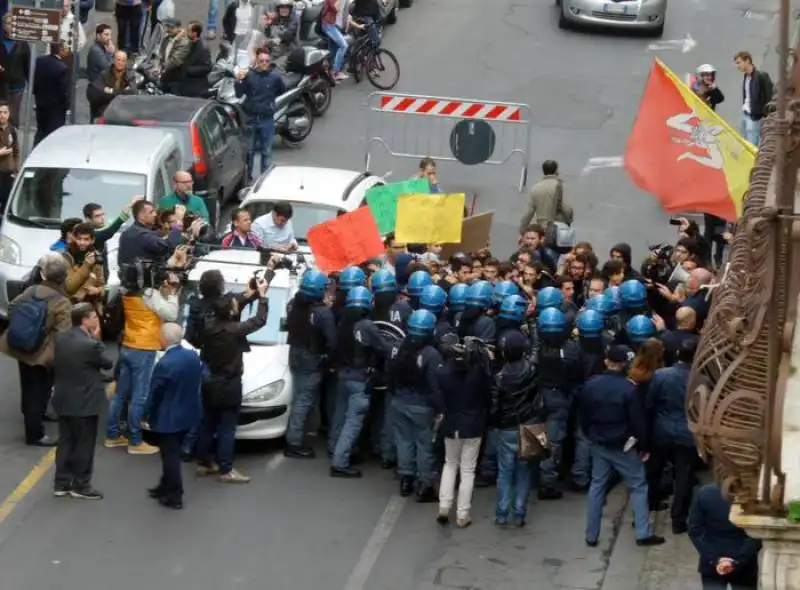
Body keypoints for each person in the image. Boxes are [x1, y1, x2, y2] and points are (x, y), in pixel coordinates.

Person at [579, 345, 664, 548]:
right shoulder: (629, 390)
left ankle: (591, 534)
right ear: (625, 364)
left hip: (599, 442)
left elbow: (583, 415)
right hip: (623, 445)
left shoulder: (591, 386)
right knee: (638, 485)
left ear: (607, 361)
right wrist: (643, 446)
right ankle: (643, 532)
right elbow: (638, 422)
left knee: (597, 485)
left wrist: (590, 435)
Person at [196, 267, 274, 483]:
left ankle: (204, 462)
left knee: (208, 422)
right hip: (229, 383)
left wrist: (249, 293)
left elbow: (233, 303)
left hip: (209, 380)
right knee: (228, 427)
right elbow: (259, 320)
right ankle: (226, 469)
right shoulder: (235, 330)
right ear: (231, 313)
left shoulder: (208, 327)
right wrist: (264, 297)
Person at [0, 253, 72, 446]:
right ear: (64, 278)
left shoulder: (31, 290)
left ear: (43, 274)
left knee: (28, 388)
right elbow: (63, 334)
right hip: (42, 354)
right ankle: (35, 434)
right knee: (40, 392)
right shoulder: (61, 301)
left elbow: (12, 308)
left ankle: (32, 418)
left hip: (20, 348)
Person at [51, 303, 112, 500]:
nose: (97, 319)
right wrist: (97, 337)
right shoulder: (90, 345)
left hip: (63, 398)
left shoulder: (61, 338)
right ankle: (80, 484)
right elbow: (107, 363)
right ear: (85, 320)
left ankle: (61, 483)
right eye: (93, 317)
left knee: (66, 441)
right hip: (85, 401)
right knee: (84, 444)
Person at [435, 332, 493, 528]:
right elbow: (488, 396)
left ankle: (444, 505)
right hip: (473, 424)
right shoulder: (478, 374)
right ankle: (462, 513)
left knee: (450, 464)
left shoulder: (443, 372)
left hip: (451, 423)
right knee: (468, 470)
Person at [144, 323, 204, 509]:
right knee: (170, 453)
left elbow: (155, 393)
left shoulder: (164, 364)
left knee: (170, 457)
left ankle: (175, 495)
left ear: (163, 339)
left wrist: (145, 415)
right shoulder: (192, 356)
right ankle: (164, 486)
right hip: (188, 413)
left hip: (168, 418)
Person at [386, 309, 443, 499]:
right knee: (425, 445)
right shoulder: (431, 355)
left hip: (399, 401)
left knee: (403, 441)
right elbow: (435, 385)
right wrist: (441, 408)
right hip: (422, 405)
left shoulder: (397, 347)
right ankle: (424, 485)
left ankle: (405, 478)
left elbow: (389, 373)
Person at [646, 339, 698, 535]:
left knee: (654, 471)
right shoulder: (699, 379)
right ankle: (678, 519)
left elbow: (650, 402)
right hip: (686, 433)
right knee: (683, 475)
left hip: (662, 430)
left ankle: (649, 506)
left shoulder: (661, 375)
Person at [491, 331, 542, 527]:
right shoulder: (532, 370)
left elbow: (495, 407)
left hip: (507, 429)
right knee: (524, 471)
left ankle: (502, 513)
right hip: (530, 425)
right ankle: (519, 512)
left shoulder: (500, 378)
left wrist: (497, 423)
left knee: (505, 472)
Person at [284, 270, 336, 459]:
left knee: (299, 396)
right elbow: (331, 342)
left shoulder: (293, 305)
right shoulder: (323, 313)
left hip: (295, 353)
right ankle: (295, 442)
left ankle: (296, 435)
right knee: (304, 400)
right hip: (312, 357)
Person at [536, 306, 581, 500]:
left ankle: (535, 475)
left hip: (538, 399)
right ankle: (547, 482)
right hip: (559, 399)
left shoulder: (534, 348)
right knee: (553, 443)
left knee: (537, 438)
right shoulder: (570, 349)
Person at [689, 483, 762, 590]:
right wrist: (738, 560)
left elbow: (695, 530)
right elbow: (756, 532)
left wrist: (714, 559)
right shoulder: (754, 495)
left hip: (712, 562)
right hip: (745, 564)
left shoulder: (705, 493)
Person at [235, 47, 285, 182]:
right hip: (251, 119)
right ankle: (248, 180)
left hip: (266, 119)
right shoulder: (249, 76)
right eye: (261, 60)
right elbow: (239, 93)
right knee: (249, 152)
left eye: (267, 61)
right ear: (256, 61)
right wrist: (238, 80)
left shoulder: (275, 78)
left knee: (266, 152)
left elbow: (281, 90)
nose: (264, 63)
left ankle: (264, 180)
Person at [117, 200, 197, 266]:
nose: (155, 214)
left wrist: (166, 231)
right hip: (145, 283)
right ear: (141, 216)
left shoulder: (128, 232)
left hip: (132, 280)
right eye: (151, 212)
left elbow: (153, 236)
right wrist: (178, 222)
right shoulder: (142, 235)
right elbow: (168, 247)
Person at [518, 160, 574, 241]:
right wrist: (569, 221)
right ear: (556, 170)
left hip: (542, 229)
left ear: (543, 171)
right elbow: (567, 209)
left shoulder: (536, 188)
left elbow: (529, 213)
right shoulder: (562, 186)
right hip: (559, 229)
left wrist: (522, 230)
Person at [61, 223, 105, 315]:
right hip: (71, 306)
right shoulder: (67, 257)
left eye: (86, 239)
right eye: (79, 239)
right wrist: (86, 265)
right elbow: (70, 287)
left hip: (91, 307)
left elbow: (102, 285)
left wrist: (97, 291)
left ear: (92, 240)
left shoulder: (95, 257)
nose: (82, 242)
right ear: (74, 238)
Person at [33, 44, 70, 146]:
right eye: (66, 48)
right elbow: (63, 91)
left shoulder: (40, 61)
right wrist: (66, 105)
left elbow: (35, 82)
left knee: (40, 132)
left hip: (41, 104)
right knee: (53, 136)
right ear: (61, 50)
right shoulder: (62, 68)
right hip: (56, 109)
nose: (68, 51)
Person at [734, 50, 773, 147]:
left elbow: (769, 96)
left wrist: (764, 116)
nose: (737, 66)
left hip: (754, 117)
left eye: (739, 63)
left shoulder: (761, 76)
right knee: (744, 143)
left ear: (747, 61)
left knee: (752, 145)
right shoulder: (746, 77)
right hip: (745, 114)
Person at [86, 49, 135, 121]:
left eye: (123, 60)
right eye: (118, 60)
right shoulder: (105, 74)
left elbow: (133, 92)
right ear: (114, 60)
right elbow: (96, 92)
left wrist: (111, 91)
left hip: (124, 111)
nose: (120, 63)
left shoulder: (130, 74)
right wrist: (122, 91)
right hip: (106, 110)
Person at [0, 13, 31, 125]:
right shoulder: (1, 42)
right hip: (2, 82)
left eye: (13, 24)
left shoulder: (22, 44)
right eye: (8, 23)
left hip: (17, 84)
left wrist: (31, 84)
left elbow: (27, 65)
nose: (11, 26)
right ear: (4, 26)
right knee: (1, 114)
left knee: (13, 114)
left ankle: (12, 139)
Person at [177, 21, 212, 97]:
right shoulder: (189, 42)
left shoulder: (203, 48)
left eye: (188, 31)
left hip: (194, 86)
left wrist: (190, 70)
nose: (186, 33)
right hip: (184, 81)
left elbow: (207, 67)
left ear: (194, 33)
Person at [321, 0, 349, 81]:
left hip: (331, 24)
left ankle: (330, 73)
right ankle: (336, 72)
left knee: (333, 49)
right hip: (328, 25)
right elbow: (336, 9)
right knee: (344, 46)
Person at [0, 100, 19, 213]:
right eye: (0, 112)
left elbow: (16, 151)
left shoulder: (12, 130)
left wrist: (16, 169)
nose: (2, 115)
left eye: (5, 112)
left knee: (6, 200)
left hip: (8, 172)